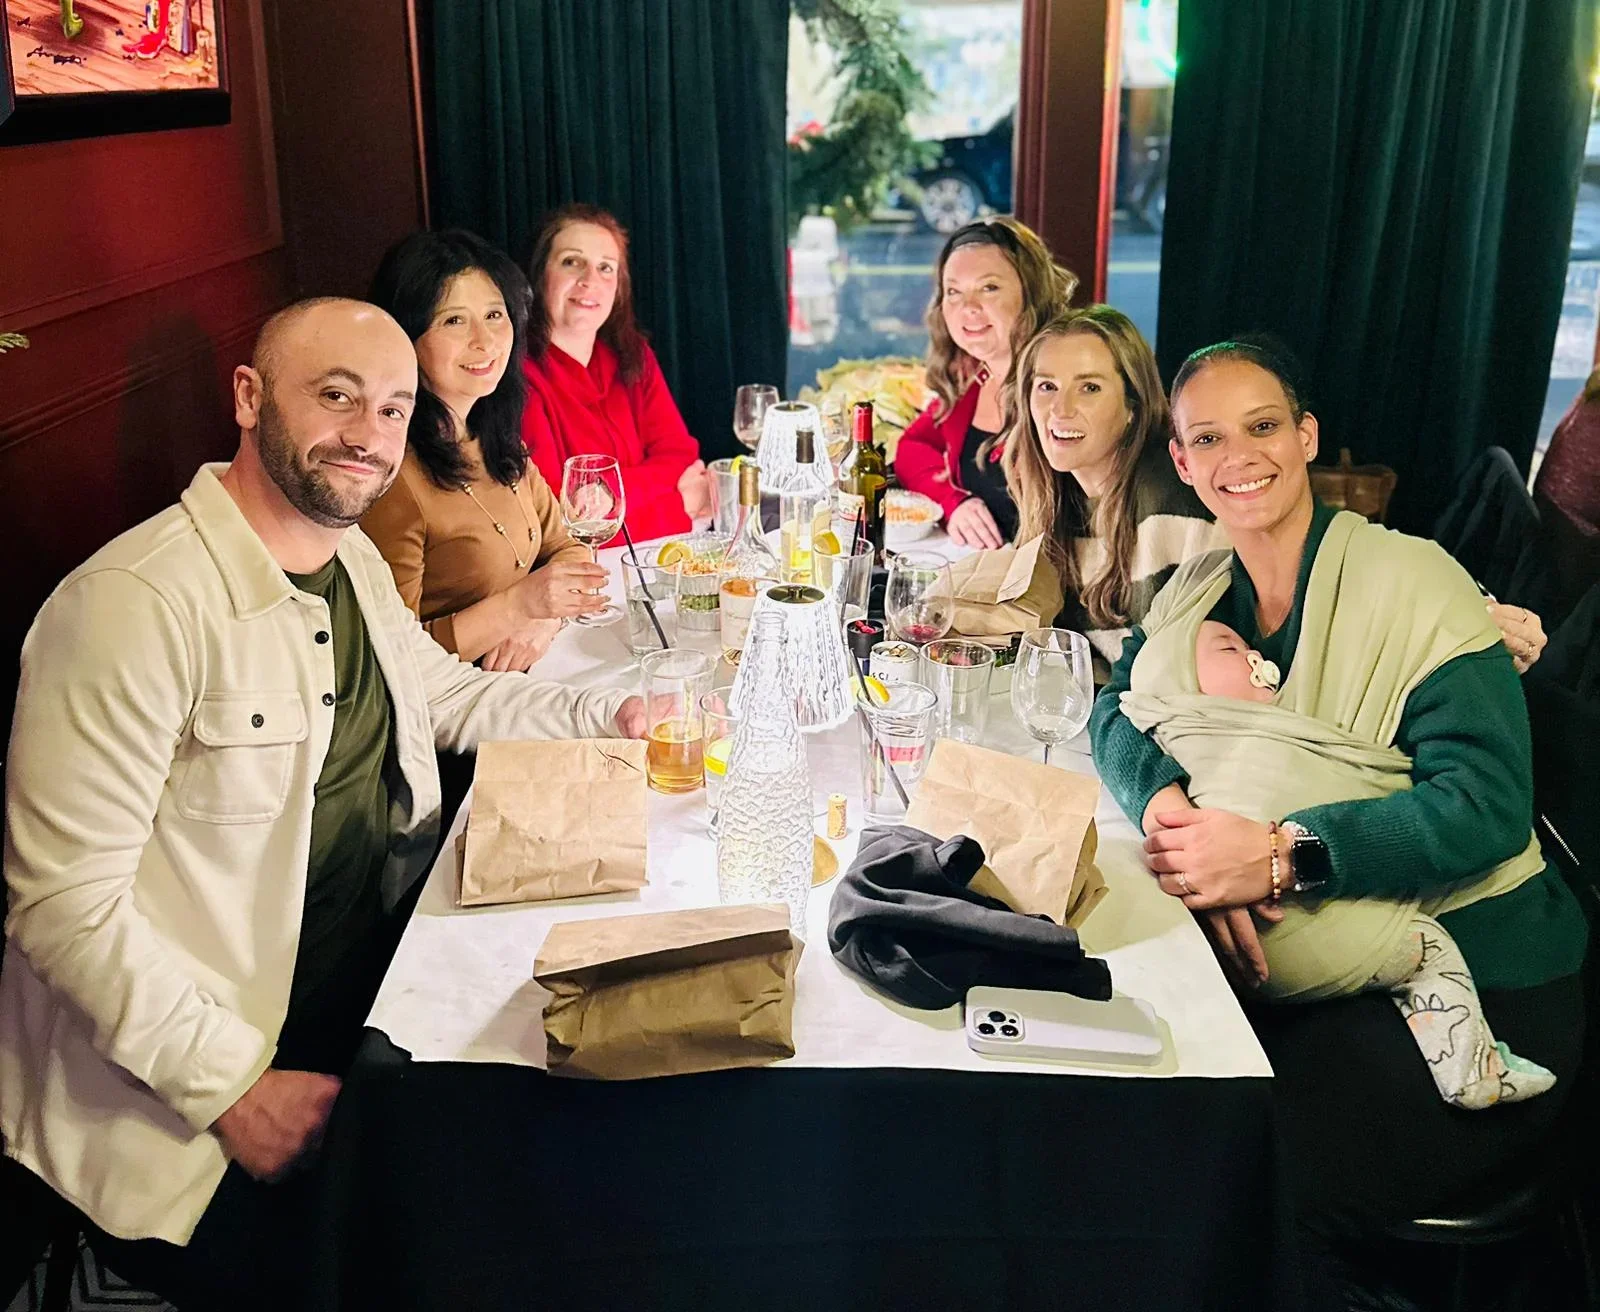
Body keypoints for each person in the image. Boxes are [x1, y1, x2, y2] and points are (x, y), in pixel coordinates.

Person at [0, 298, 646, 1310]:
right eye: (336, 396)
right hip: (201, 1090)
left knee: (589, 1144)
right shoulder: (129, 604)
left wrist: (614, 715)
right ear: (250, 398)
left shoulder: (340, 552)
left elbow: (442, 693)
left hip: (372, 983)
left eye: (393, 409)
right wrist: (230, 1091)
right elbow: (63, 905)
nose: (367, 435)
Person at [1088, 337, 1586, 1310]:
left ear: (1306, 434)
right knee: (1141, 1110)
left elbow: (1481, 808)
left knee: (1224, 1172)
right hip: (1317, 966)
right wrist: (1180, 819)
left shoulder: (1417, 583)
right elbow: (1113, 706)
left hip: (1474, 996)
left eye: (1264, 425)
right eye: (1208, 437)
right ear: (1181, 461)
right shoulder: (1199, 588)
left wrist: (1276, 855)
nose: (1242, 455)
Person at [1119, 617, 1556, 1110]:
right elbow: (1113, 704)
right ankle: (1471, 1063)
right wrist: (1185, 837)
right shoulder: (1198, 687)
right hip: (1286, 940)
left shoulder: (1425, 623)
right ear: (1180, 688)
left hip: (1303, 942)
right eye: (1229, 651)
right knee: (1426, 953)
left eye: (1248, 648)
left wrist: (1265, 854)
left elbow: (1483, 809)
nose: (1257, 660)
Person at [362, 229, 611, 672]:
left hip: (532, 675)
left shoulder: (492, 435)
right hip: (457, 714)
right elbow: (391, 656)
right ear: (406, 337)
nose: (485, 340)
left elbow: (568, 543)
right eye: (453, 321)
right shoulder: (393, 476)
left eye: (495, 314)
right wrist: (520, 607)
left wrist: (542, 620)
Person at [1004, 306, 1223, 672]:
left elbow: (1172, 673)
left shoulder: (1169, 496)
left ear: (1132, 405)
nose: (1060, 408)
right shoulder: (1057, 495)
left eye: (1089, 388)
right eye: (1047, 386)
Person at [520, 204, 710, 543]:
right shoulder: (519, 377)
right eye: (571, 262)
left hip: (655, 559)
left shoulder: (634, 356)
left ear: (618, 287)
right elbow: (557, 526)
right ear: (540, 274)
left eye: (605, 268)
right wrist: (680, 505)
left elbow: (680, 454)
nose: (590, 280)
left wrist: (606, 495)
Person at [893, 217, 1076, 549]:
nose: (968, 307)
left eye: (989, 287)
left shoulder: (1064, 389)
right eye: (953, 291)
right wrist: (954, 502)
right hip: (983, 576)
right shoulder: (973, 378)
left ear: (1030, 293)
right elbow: (912, 447)